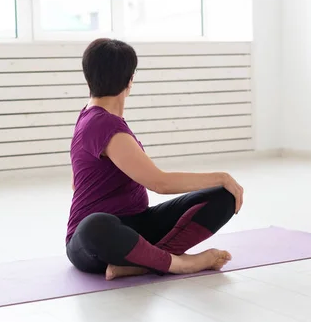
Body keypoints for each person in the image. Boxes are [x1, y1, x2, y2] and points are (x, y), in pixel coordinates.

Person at [66, 38, 244, 280]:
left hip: (137, 226)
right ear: (130, 81)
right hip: (95, 243)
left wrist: (221, 184)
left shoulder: (90, 115)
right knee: (95, 225)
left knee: (224, 196)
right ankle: (181, 264)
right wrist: (221, 176)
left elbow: (76, 182)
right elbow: (160, 183)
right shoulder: (102, 124)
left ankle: (144, 262)